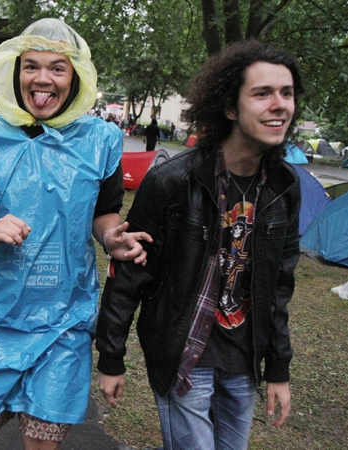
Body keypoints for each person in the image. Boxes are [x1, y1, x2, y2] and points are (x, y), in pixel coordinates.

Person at [0, 18, 152, 450]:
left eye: (57, 68)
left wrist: (110, 238)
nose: (43, 79)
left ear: (75, 78)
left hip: (63, 315)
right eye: (31, 66)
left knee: (44, 438)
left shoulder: (100, 141)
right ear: (16, 72)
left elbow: (103, 212)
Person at [95, 39, 303, 449]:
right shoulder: (173, 180)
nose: (279, 104)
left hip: (244, 361)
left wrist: (278, 369)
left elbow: (280, 286)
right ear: (229, 107)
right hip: (185, 353)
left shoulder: (284, 188)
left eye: (287, 93)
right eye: (262, 94)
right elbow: (130, 271)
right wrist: (111, 357)